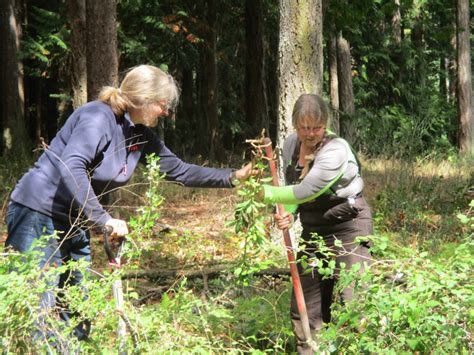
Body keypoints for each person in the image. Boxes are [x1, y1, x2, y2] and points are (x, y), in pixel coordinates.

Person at [5, 64, 252, 346]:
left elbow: (180, 171)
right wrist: (104, 218)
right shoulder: (98, 117)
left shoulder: (138, 133)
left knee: (78, 311)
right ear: (144, 99)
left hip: (75, 222)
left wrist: (232, 177)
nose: (166, 112)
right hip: (38, 213)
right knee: (38, 309)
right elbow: (72, 165)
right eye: (162, 105)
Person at [260, 94, 372, 354]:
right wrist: (288, 213)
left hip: (348, 226)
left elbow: (307, 191)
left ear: (326, 124)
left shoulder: (336, 150)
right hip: (314, 230)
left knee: (353, 298)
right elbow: (292, 189)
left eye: (316, 127)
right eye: (304, 127)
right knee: (306, 305)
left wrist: (264, 193)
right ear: (295, 125)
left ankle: (362, 349)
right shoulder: (290, 145)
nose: (310, 133)